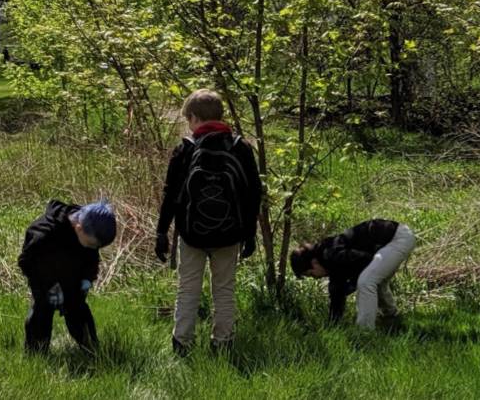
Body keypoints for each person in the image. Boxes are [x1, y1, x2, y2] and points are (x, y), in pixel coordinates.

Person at [155, 89, 264, 356]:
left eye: (187, 119)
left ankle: (182, 345)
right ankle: (222, 344)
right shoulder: (241, 147)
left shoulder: (185, 149)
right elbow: (253, 194)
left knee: (187, 291)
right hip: (230, 235)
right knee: (224, 291)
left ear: (193, 117)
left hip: (191, 234)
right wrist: (250, 234)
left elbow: (171, 195)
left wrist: (161, 232)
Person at [17, 198, 116, 354]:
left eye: (97, 246)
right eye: (92, 245)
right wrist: (49, 287)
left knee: (78, 310)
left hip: (73, 280)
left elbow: (91, 259)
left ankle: (92, 350)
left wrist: (87, 280)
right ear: (78, 227)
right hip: (44, 281)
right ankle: (36, 354)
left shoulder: (91, 227)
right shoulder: (43, 233)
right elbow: (26, 262)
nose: (94, 248)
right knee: (41, 313)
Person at [290, 218, 418, 330]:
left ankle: (364, 331)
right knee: (374, 280)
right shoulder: (328, 257)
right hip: (397, 236)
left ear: (314, 263)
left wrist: (353, 284)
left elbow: (367, 259)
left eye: (311, 274)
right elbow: (337, 295)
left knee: (366, 282)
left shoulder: (331, 255)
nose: (316, 277)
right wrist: (332, 325)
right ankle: (392, 319)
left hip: (398, 239)